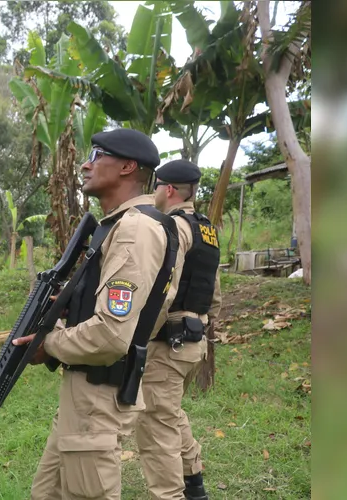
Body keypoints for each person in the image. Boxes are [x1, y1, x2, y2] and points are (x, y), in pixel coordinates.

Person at [12, 128, 179, 500]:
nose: (86, 164)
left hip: (96, 398)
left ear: (127, 167)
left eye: (98, 154)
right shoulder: (117, 227)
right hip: (84, 395)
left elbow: (111, 334)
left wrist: (48, 343)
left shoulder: (135, 230)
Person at [135, 159, 222, 500]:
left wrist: (137, 337)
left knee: (155, 425)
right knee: (169, 412)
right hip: (193, 341)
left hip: (167, 343)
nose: (154, 192)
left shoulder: (171, 227)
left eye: (156, 186)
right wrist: (203, 325)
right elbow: (214, 293)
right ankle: (193, 480)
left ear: (168, 189)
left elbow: (164, 291)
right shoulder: (206, 229)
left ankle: (170, 494)